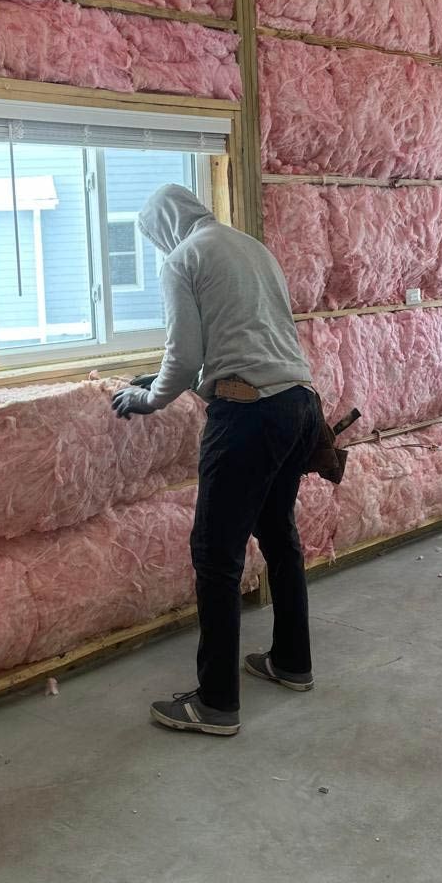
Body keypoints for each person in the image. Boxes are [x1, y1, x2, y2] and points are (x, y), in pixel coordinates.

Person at [111, 183, 323, 737]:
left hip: (248, 415)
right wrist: (166, 382)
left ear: (163, 228)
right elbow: (249, 339)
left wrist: (147, 398)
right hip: (299, 405)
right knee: (279, 536)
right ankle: (292, 662)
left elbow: (185, 357)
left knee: (215, 556)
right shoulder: (248, 245)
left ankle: (216, 703)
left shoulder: (183, 258)